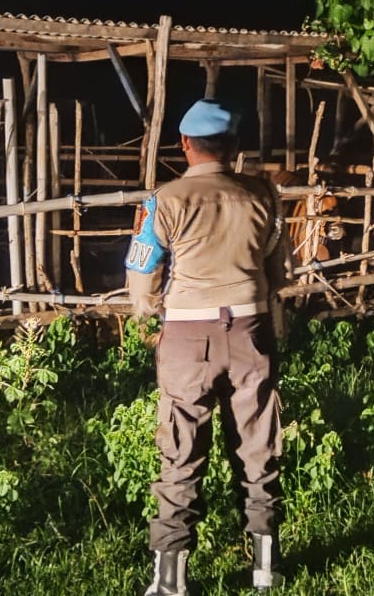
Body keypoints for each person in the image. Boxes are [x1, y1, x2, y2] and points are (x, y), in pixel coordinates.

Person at [125, 98, 286, 596]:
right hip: (249, 331)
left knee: (180, 448)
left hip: (186, 337)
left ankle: (170, 578)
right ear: (233, 147)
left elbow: (141, 270)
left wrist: (149, 317)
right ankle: (266, 567)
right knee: (259, 443)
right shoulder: (262, 195)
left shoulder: (164, 200)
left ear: (185, 145)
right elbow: (278, 271)